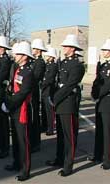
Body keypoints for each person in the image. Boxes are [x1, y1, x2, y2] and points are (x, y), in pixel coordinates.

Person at [47, 34, 85, 176]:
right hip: (61, 103)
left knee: (69, 136)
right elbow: (57, 82)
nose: (63, 47)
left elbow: (69, 86)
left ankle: (68, 165)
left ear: (73, 49)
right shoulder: (63, 63)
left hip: (68, 103)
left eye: (66, 46)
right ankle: (59, 159)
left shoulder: (77, 65)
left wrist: (54, 98)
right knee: (61, 135)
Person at [2, 41, 34, 181]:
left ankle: (25, 169)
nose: (15, 55)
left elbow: (22, 93)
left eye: (18, 54)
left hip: (22, 109)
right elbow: (12, 88)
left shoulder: (28, 72)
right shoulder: (18, 69)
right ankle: (16, 163)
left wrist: (9, 104)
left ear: (25, 56)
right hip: (15, 108)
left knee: (23, 141)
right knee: (15, 138)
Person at [89, 38, 110, 170]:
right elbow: (97, 82)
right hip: (99, 101)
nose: (103, 52)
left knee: (107, 132)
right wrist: (93, 92)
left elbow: (108, 85)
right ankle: (97, 155)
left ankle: (107, 160)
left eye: (105, 50)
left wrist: (97, 95)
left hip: (107, 101)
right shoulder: (102, 66)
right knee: (99, 130)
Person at [30, 38, 47, 153]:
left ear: (39, 50)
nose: (33, 50)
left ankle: (36, 143)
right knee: (31, 118)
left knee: (35, 118)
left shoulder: (40, 62)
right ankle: (32, 141)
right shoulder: (34, 61)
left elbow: (35, 77)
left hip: (34, 92)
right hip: (31, 91)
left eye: (35, 48)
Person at [41, 47, 58, 135]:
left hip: (49, 90)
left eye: (48, 55)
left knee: (49, 111)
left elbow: (49, 79)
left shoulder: (53, 66)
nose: (46, 56)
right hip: (44, 91)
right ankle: (45, 126)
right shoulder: (47, 65)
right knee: (44, 110)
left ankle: (51, 128)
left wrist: (42, 84)